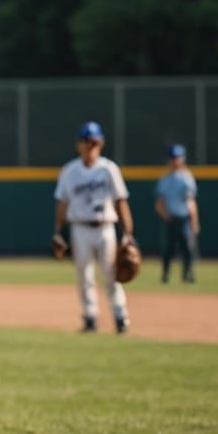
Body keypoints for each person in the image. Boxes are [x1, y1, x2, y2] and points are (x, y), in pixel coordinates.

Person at [53, 121, 136, 334]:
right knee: (84, 276)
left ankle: (120, 317)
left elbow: (121, 201)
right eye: (87, 142)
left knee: (111, 274)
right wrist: (58, 231)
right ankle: (90, 317)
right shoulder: (69, 171)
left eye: (95, 142)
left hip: (106, 227)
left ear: (101, 143)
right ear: (79, 144)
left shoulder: (109, 169)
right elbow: (62, 203)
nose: (91, 146)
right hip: (80, 227)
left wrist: (128, 233)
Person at [155, 144, 199, 284]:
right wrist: (165, 214)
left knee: (188, 248)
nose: (175, 161)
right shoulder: (165, 179)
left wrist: (194, 221)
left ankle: (188, 274)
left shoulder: (187, 178)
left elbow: (191, 201)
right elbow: (159, 202)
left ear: (182, 158)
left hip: (184, 217)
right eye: (173, 158)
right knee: (169, 248)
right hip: (171, 218)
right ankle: (165, 274)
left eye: (178, 157)